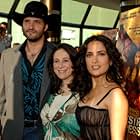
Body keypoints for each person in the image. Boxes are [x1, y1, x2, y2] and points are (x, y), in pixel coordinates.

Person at [0, 1, 56, 140]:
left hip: (44, 130)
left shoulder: (56, 54)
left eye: (37, 21)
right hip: (12, 128)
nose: (31, 26)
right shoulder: (8, 55)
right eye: (27, 21)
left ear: (45, 26)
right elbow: (1, 95)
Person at [74, 35, 128, 140]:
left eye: (101, 54)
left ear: (111, 60)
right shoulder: (87, 89)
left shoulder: (115, 95)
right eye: (89, 55)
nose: (94, 60)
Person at [40, 43, 80, 139]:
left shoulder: (84, 94)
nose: (60, 66)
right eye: (56, 61)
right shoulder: (50, 92)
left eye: (65, 60)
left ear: (74, 63)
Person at [124, 49, 140, 140]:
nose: (137, 59)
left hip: (136, 105)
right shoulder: (130, 69)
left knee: (134, 132)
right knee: (130, 131)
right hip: (129, 104)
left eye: (139, 57)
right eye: (136, 56)